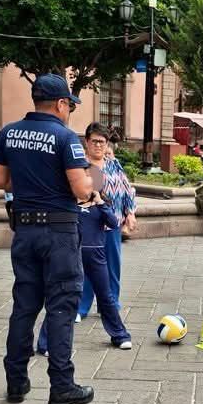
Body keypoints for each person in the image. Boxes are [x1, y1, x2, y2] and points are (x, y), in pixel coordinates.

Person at [0, 74, 94, 404]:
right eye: (69, 105)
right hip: (60, 233)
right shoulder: (66, 137)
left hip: (25, 231)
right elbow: (81, 190)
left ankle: (16, 382)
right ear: (62, 104)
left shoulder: (9, 132)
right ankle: (62, 386)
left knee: (24, 306)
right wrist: (92, 188)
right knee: (62, 306)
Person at [39, 168, 132, 354]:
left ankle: (120, 336)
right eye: (84, 179)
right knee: (62, 297)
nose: (87, 183)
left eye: (91, 179)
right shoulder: (68, 204)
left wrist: (99, 203)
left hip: (97, 257)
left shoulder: (101, 204)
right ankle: (46, 343)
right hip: (71, 256)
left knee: (106, 298)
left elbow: (113, 224)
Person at [76, 123, 136, 322]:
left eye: (102, 142)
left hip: (113, 223)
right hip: (90, 225)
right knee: (88, 267)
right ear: (86, 142)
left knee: (112, 266)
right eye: (94, 141)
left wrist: (130, 212)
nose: (98, 146)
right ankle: (82, 307)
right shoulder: (81, 166)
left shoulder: (113, 164)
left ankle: (110, 305)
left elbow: (128, 190)